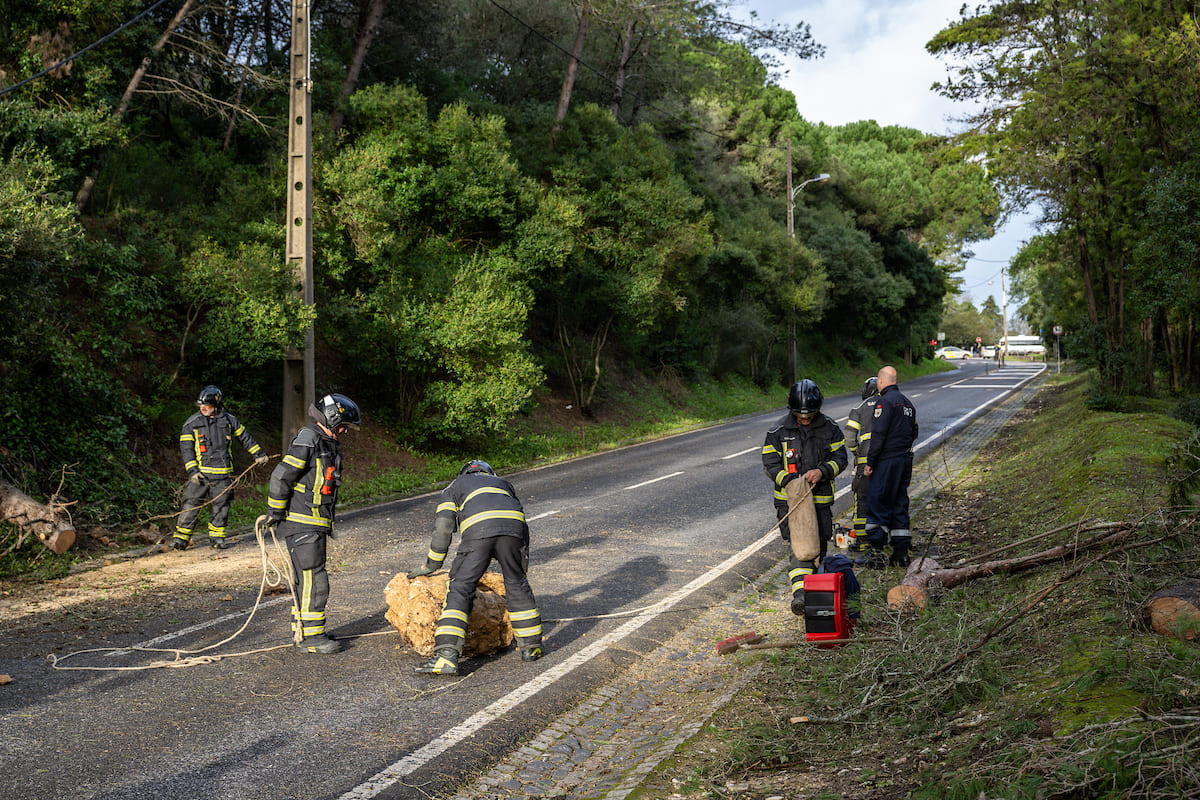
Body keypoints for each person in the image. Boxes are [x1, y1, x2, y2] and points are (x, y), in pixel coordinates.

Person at [408, 460, 544, 676]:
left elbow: (443, 527)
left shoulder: (455, 485)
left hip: (479, 532)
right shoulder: (503, 483)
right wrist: (521, 567)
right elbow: (521, 522)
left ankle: (445, 657)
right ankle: (531, 647)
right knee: (516, 584)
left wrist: (432, 564)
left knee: (461, 587)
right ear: (489, 473)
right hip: (514, 530)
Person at [264, 393, 361, 654]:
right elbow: (282, 475)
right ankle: (312, 638)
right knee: (314, 579)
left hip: (313, 523)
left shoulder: (324, 443)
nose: (345, 431)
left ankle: (305, 630)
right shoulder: (308, 439)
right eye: (344, 425)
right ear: (332, 418)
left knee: (307, 579)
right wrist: (274, 511)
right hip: (302, 523)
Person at [762, 379, 847, 615]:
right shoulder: (777, 432)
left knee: (819, 550)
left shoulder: (830, 429)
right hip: (791, 505)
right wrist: (790, 482)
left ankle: (816, 596)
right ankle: (800, 596)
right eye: (800, 415)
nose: (805, 418)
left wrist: (822, 471)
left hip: (820, 503)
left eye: (809, 414)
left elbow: (841, 458)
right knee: (800, 549)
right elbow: (770, 464)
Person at [172, 385, 270, 550]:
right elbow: (186, 450)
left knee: (221, 506)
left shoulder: (229, 421)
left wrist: (259, 454)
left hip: (223, 475)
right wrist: (193, 471)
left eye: (207, 405)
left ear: (216, 404)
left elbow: (245, 438)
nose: (203, 408)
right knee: (191, 504)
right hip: (200, 475)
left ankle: (217, 539)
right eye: (201, 405)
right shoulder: (192, 423)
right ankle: (181, 539)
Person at [858, 366, 918, 569]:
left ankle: (876, 553)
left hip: (887, 461)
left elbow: (879, 435)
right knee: (899, 503)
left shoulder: (884, 402)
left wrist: (870, 462)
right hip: (905, 460)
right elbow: (914, 432)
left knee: (878, 502)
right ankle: (901, 553)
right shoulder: (907, 403)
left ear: (881, 382)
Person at [844, 376, 880, 556]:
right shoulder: (892, 404)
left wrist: (856, 452)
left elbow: (850, 437)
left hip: (865, 460)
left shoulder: (859, 409)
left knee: (862, 500)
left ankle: (863, 542)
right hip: (888, 460)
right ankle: (884, 539)